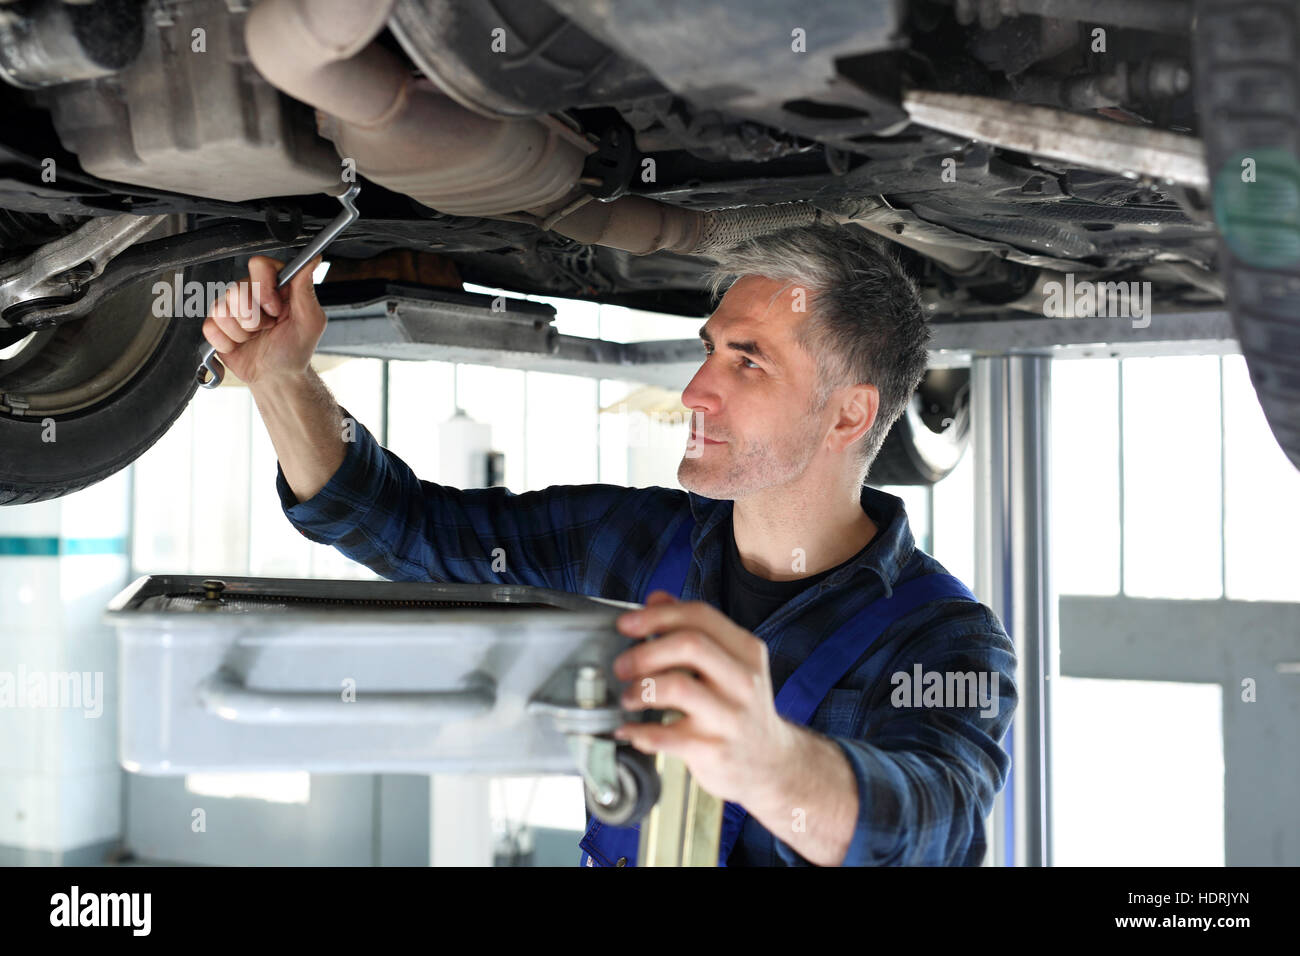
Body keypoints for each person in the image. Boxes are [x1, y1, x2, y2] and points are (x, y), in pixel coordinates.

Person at [201, 223, 1018, 866]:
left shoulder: (944, 640)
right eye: (709, 350)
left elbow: (934, 827)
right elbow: (404, 528)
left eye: (748, 362)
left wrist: (772, 763)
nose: (697, 388)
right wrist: (279, 376)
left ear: (848, 414)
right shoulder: (626, 541)